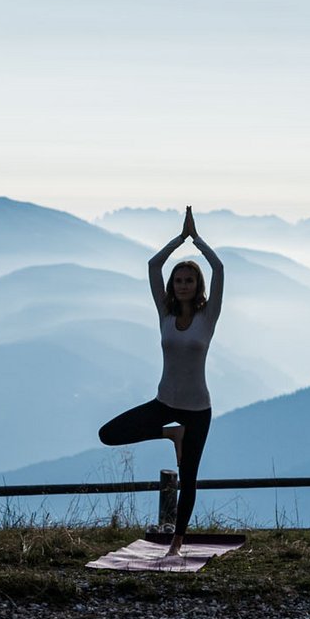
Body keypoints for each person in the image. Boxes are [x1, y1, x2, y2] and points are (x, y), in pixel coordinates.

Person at [99, 207, 225, 556]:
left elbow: (219, 269)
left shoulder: (207, 317)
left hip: (198, 409)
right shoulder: (165, 314)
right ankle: (172, 433)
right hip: (165, 403)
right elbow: (153, 266)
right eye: (179, 280)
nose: (183, 285)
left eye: (189, 280)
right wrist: (179, 239)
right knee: (109, 434)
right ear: (172, 285)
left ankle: (177, 542)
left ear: (197, 286)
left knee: (189, 480)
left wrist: (197, 241)